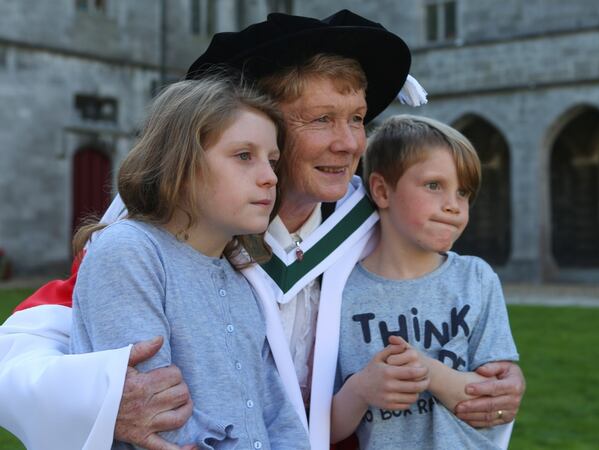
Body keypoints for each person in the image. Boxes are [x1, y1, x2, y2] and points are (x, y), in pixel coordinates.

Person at [0, 10, 525, 450]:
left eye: (358, 118)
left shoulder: (374, 224)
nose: (348, 144)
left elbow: (452, 315)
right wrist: (100, 398)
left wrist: (497, 378)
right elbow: (25, 348)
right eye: (321, 120)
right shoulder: (159, 227)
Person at [70, 76, 308, 450]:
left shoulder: (239, 278)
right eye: (244, 156)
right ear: (180, 162)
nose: (269, 177)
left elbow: (274, 410)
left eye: (273, 161)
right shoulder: (132, 252)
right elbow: (158, 414)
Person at [331, 115, 519, 449]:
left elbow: (494, 403)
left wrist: (427, 372)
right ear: (381, 190)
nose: (453, 205)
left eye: (463, 192)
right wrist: (361, 389)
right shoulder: (338, 294)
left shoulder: (475, 279)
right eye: (434, 185)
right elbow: (324, 428)